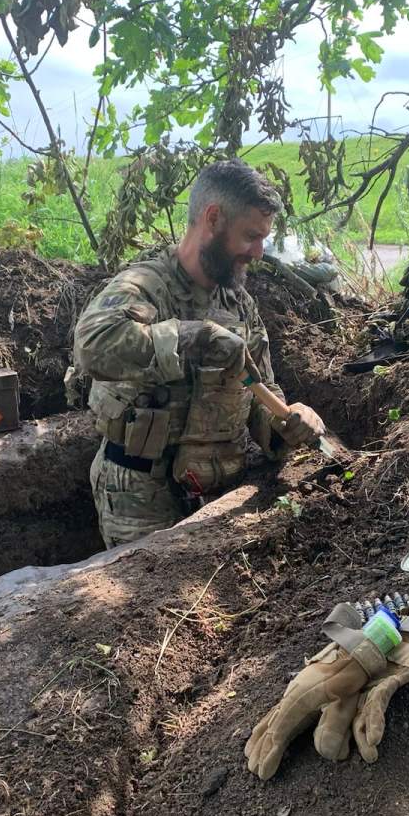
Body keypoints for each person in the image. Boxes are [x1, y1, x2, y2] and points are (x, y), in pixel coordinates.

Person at [73, 159, 327, 548]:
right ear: (213, 218)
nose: (258, 252)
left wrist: (288, 423)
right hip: (138, 498)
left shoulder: (239, 305)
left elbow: (260, 393)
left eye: (263, 238)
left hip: (216, 492)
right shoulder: (146, 286)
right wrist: (195, 337)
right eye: (250, 236)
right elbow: (92, 344)